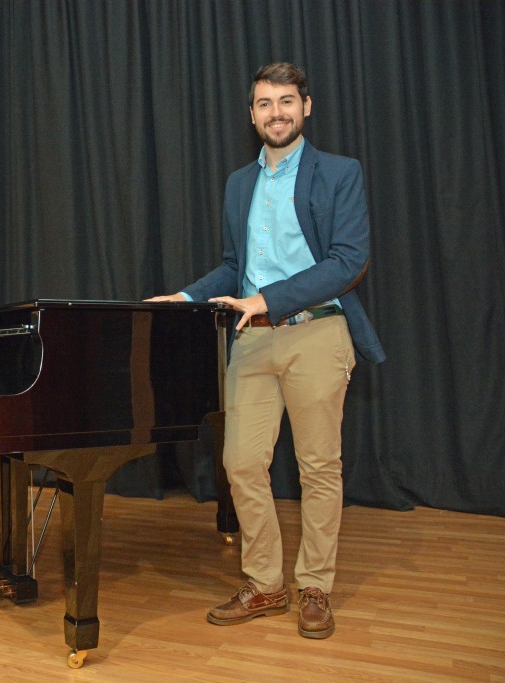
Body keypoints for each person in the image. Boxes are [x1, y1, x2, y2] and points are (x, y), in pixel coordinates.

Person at [147, 63, 385, 639]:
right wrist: (184, 295)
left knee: (318, 467)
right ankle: (265, 583)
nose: (275, 112)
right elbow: (235, 267)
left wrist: (267, 299)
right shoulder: (238, 184)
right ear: (251, 114)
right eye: (264, 103)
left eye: (286, 101)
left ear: (306, 106)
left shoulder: (339, 173)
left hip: (317, 332)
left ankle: (315, 588)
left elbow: (347, 262)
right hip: (251, 341)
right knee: (241, 464)